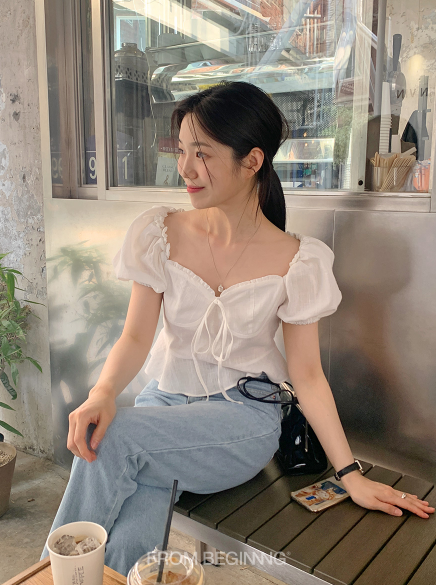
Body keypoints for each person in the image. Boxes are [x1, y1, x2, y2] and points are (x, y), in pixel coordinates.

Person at [41, 81, 434, 575]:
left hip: (242, 419)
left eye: (202, 153)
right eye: (181, 151)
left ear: (252, 161)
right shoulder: (160, 232)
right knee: (135, 509)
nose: (185, 168)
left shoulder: (298, 259)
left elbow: (308, 376)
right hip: (164, 407)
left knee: (113, 438)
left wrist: (350, 474)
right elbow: (136, 337)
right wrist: (102, 393)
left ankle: (45, 577)